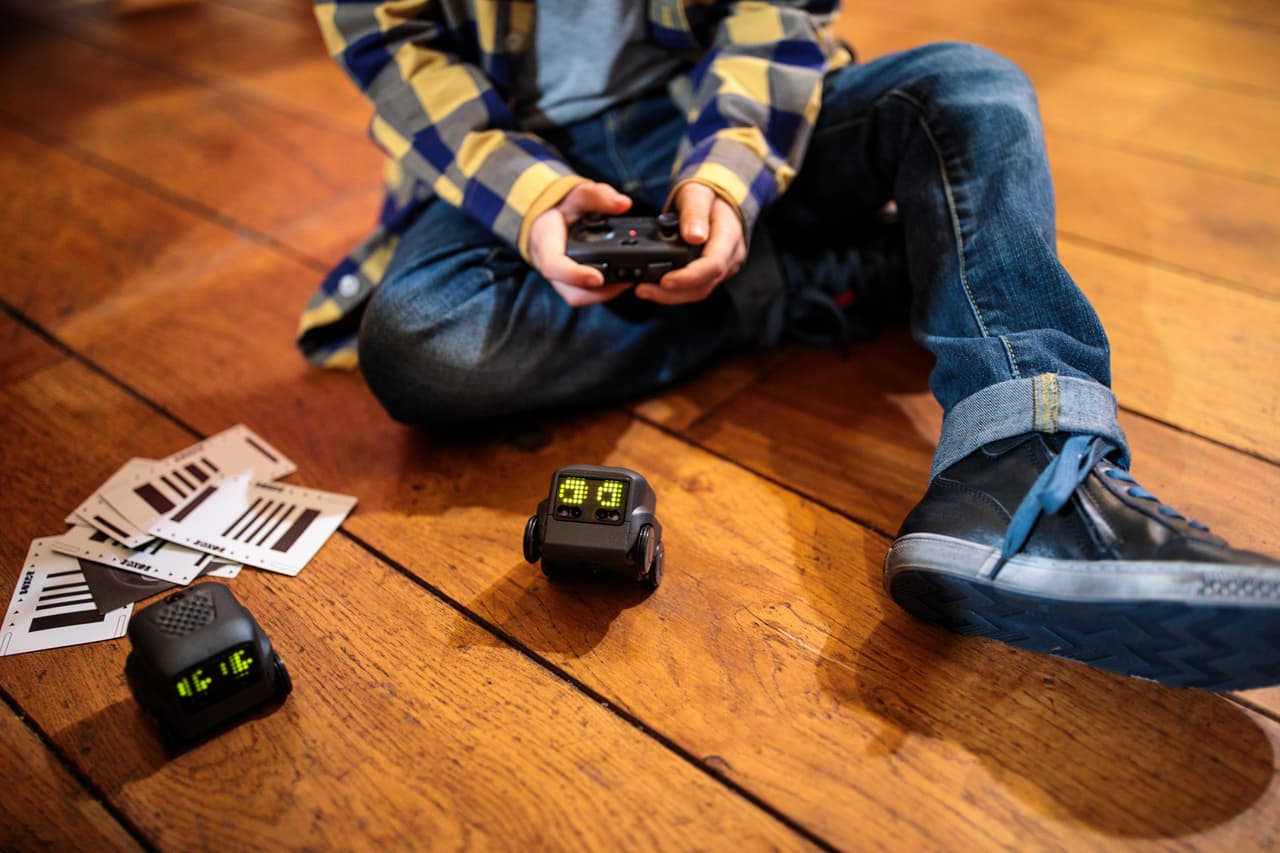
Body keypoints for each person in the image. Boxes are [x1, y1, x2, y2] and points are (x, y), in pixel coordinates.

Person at [300, 1, 1280, 690]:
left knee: (968, 91)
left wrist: (728, 175)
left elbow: (776, 15)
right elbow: (391, 44)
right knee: (418, 342)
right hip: (516, 147)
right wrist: (532, 198)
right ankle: (836, 277)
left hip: (721, 110)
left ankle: (1021, 465)